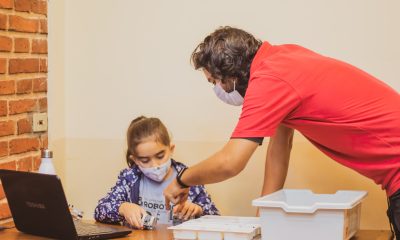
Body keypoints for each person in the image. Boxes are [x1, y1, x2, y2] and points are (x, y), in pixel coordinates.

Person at [163, 26, 400, 237]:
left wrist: (182, 180)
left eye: (214, 81)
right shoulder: (283, 58)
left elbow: (230, 162)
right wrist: (260, 224)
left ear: (232, 76)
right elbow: (280, 147)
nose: (217, 89)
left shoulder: (268, 80)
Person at [94, 116, 219, 229]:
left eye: (160, 156)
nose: (155, 166)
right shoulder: (129, 179)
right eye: (145, 160)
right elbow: (100, 211)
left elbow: (215, 216)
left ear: (171, 149)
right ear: (135, 159)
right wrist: (123, 208)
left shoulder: (188, 178)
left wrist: (198, 210)